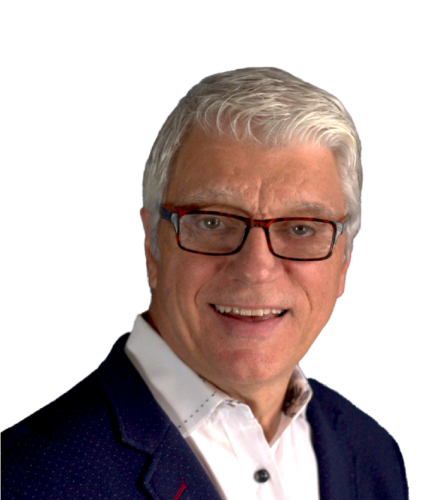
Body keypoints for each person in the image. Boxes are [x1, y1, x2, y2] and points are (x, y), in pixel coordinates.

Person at [1, 67, 408, 499]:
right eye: (212, 221)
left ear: (344, 259)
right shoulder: (23, 479)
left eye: (302, 228)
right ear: (151, 246)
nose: (256, 268)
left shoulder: (371, 455)